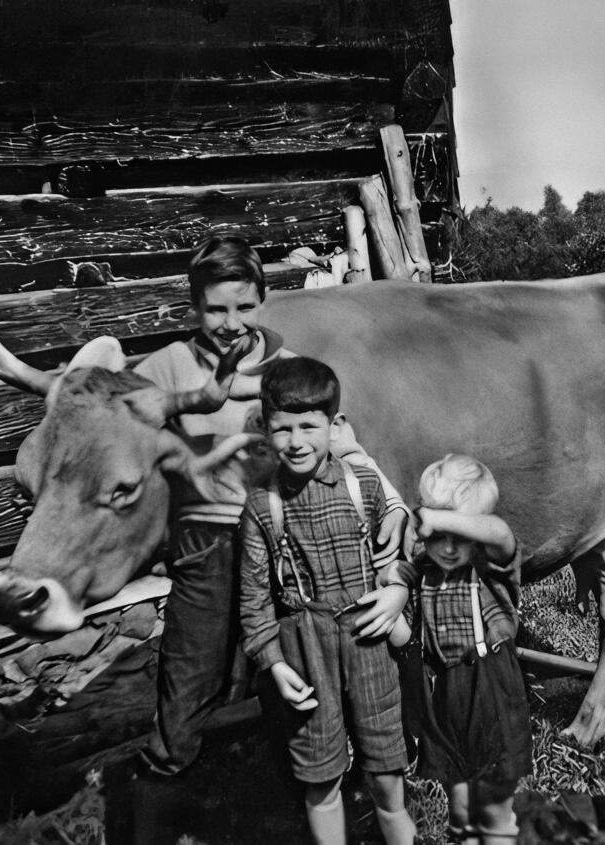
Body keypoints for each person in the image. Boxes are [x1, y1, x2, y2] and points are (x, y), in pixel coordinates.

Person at [134, 235, 405, 778]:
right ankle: (170, 767)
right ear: (194, 307)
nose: (231, 322)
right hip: (206, 539)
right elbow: (122, 433)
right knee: (193, 659)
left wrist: (393, 502)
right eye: (215, 309)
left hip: (288, 530)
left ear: (262, 300)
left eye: (244, 306)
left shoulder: (288, 367)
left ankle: (293, 758)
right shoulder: (166, 368)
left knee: (293, 647)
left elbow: (343, 443)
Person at [239, 357, 416, 844]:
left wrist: (398, 591)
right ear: (266, 431)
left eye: (309, 427)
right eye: (282, 429)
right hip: (305, 651)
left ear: (333, 425)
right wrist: (272, 662)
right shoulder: (262, 506)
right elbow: (254, 598)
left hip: (370, 643)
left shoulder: (364, 486)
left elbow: (399, 557)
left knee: (387, 777)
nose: (296, 442)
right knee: (320, 781)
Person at [389, 454, 532, 845]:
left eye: (460, 535)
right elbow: (396, 576)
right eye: (438, 537)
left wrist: (438, 521)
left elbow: (501, 533)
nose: (449, 548)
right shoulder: (423, 568)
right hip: (443, 685)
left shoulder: (491, 566)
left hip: (489, 684)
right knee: (459, 789)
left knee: (493, 793)